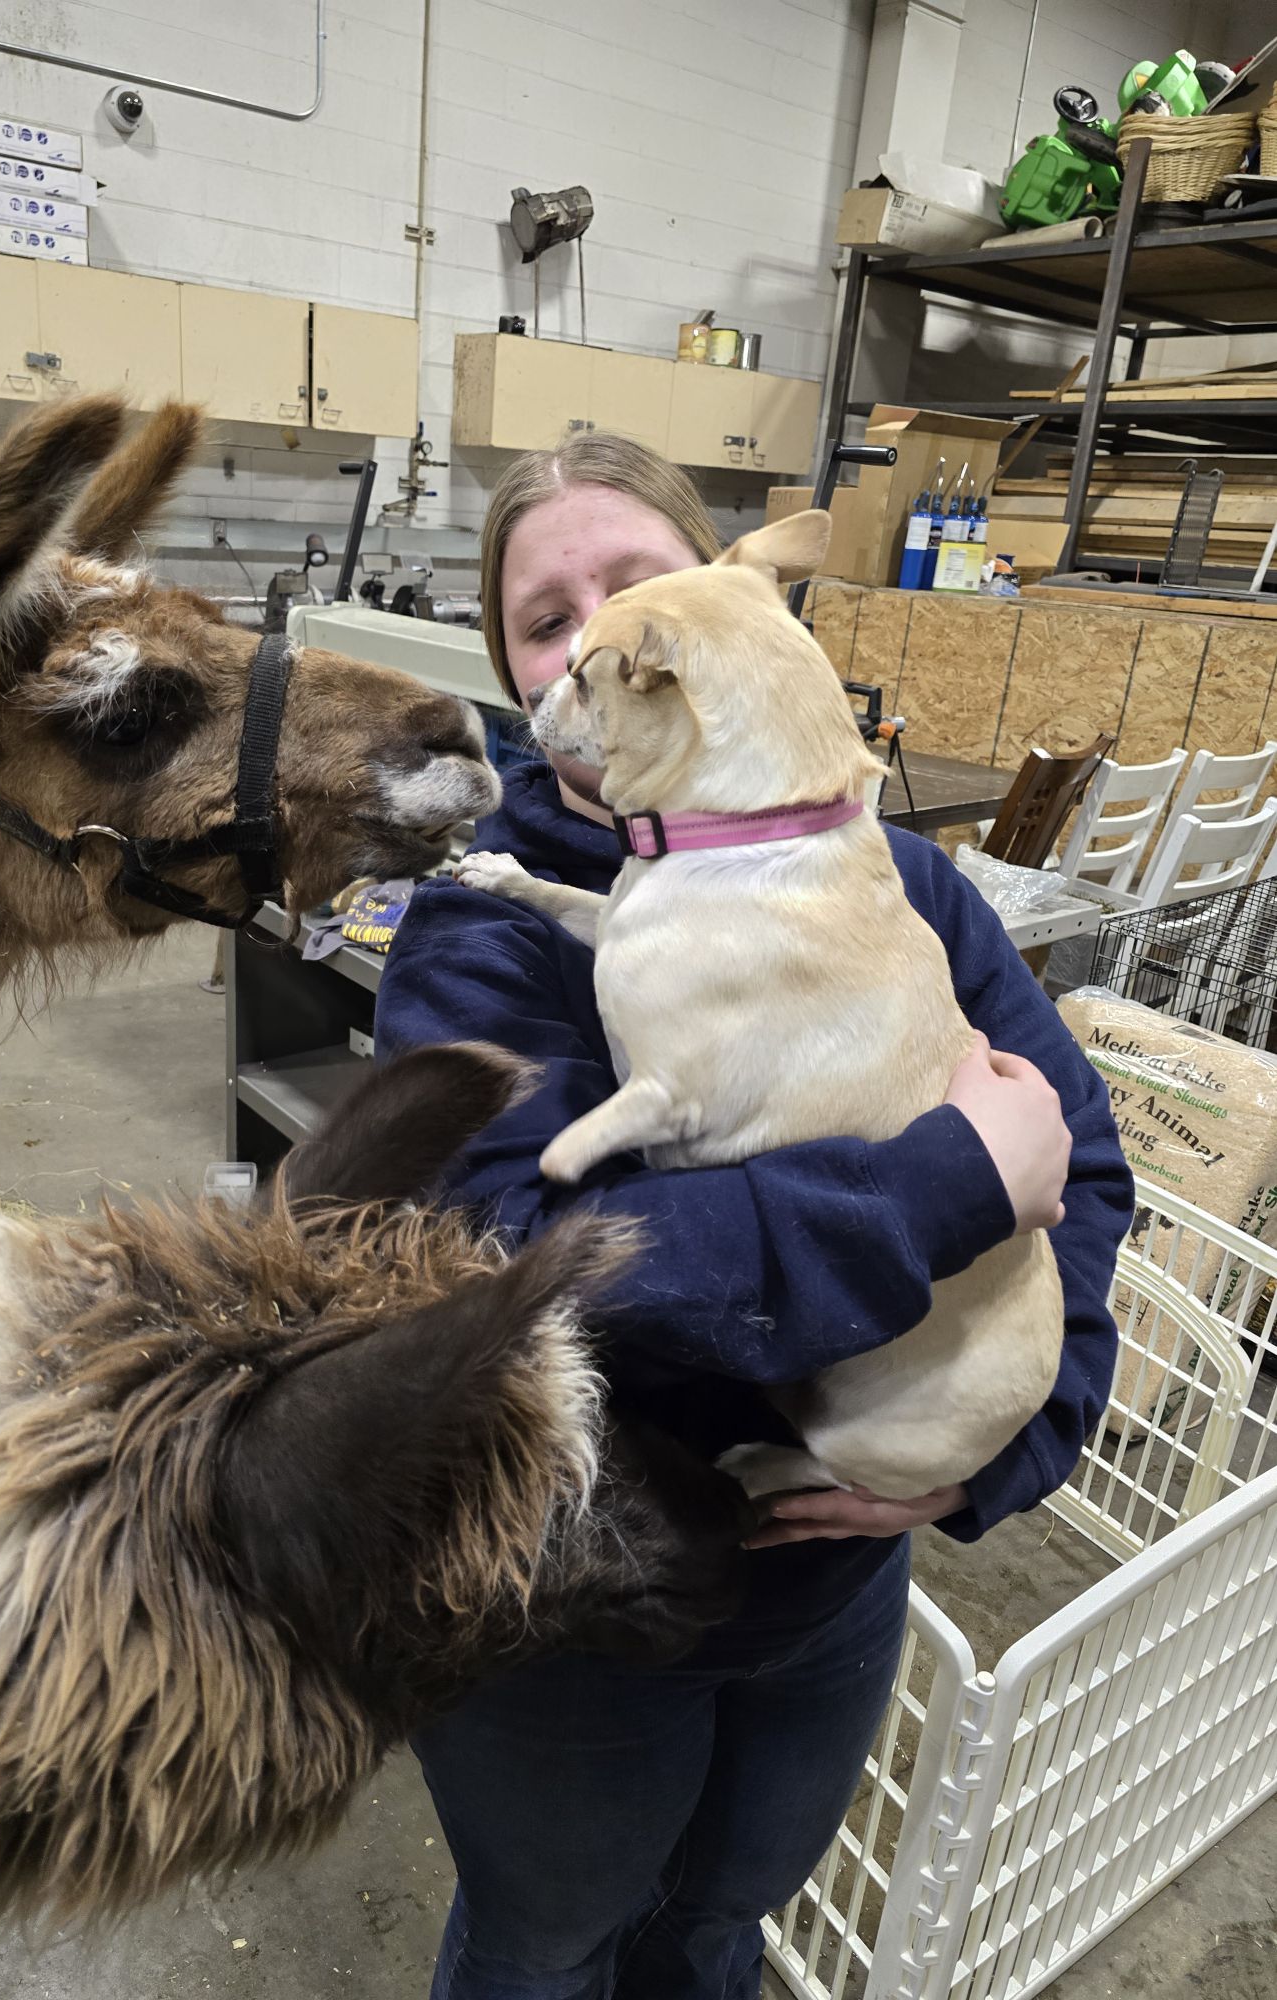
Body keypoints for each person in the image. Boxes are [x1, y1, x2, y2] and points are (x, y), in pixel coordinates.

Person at [373, 432, 1134, 2000]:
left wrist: (1001, 1447)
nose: (593, 641)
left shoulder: (896, 880)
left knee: (724, 1926)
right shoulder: (477, 941)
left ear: (732, 607)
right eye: (544, 620)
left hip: (827, 1585)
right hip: (565, 1611)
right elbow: (510, 1266)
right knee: (545, 1944)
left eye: (638, 590)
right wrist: (939, 1190)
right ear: (515, 670)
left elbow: (1085, 1172)